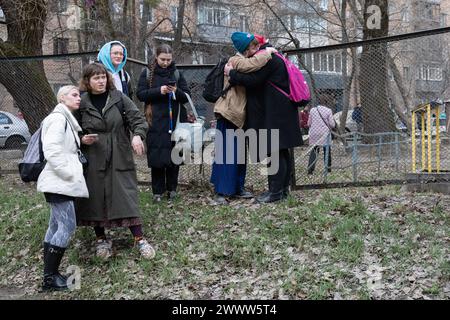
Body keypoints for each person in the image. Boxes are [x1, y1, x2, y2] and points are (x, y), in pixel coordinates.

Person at [75, 63, 155, 260]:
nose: (101, 81)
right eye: (96, 78)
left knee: (125, 195)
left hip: (119, 152)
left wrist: (137, 135)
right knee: (95, 198)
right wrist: (81, 139)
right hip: (93, 155)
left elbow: (138, 119)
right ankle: (101, 239)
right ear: (88, 81)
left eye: (103, 76)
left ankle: (140, 240)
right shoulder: (81, 102)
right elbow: (72, 128)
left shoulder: (118, 97)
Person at [225, 38, 303, 203]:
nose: (251, 52)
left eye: (252, 47)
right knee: (281, 151)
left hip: (274, 113)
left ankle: (275, 194)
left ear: (259, 46)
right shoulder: (276, 57)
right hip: (281, 111)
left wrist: (231, 74)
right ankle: (282, 191)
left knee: (274, 152)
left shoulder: (268, 59)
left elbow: (253, 80)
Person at [210, 32, 277, 204]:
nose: (256, 49)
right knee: (227, 154)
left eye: (257, 46)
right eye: (254, 46)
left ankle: (237, 187)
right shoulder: (235, 60)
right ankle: (222, 192)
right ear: (245, 49)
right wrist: (267, 52)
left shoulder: (241, 60)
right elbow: (251, 65)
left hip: (238, 116)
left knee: (239, 155)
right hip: (229, 113)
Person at [37, 85, 89, 291]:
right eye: (74, 95)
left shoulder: (64, 119)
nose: (79, 98)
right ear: (62, 98)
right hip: (59, 181)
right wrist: (69, 173)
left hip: (58, 182)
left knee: (55, 226)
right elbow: (52, 150)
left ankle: (50, 276)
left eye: (79, 95)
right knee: (67, 226)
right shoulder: (59, 119)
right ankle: (50, 279)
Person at [136, 44, 191, 202]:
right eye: (162, 59)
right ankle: (157, 192)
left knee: (175, 156)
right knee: (157, 157)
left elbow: (186, 95)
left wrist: (176, 91)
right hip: (155, 121)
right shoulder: (147, 73)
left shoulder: (177, 73)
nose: (165, 62)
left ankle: (172, 189)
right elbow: (140, 94)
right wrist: (158, 91)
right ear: (156, 57)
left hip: (176, 122)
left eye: (168, 59)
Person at [307, 95, 336, 175]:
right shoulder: (328, 110)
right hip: (324, 134)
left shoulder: (313, 110)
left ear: (318, 102)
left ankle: (310, 170)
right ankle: (328, 169)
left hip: (314, 133)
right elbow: (332, 124)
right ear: (326, 103)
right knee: (327, 150)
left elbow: (308, 123)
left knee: (314, 150)